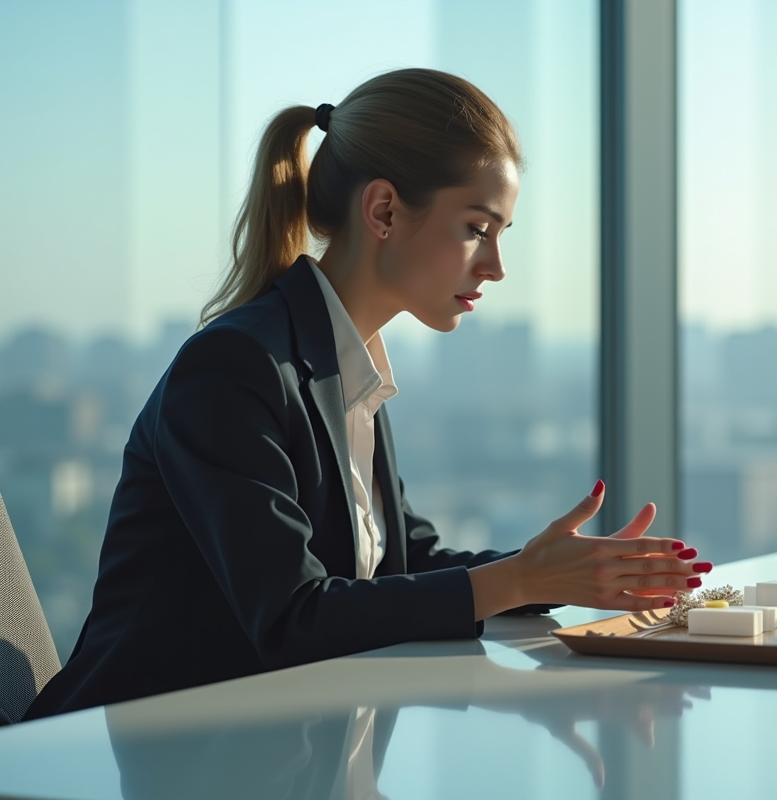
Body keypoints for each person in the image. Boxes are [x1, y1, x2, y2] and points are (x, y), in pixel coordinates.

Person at [23, 68, 710, 721]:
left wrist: (557, 572)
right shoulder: (236, 367)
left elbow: (400, 568)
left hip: (273, 747)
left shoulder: (348, 368)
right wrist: (522, 579)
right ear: (383, 211)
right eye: (477, 229)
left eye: (501, 234)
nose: (497, 267)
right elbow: (294, 618)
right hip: (123, 757)